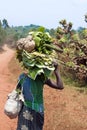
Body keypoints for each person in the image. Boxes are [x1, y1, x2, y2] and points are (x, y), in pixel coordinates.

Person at [16, 62, 64, 130]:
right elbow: (60, 86)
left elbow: (18, 92)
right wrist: (56, 70)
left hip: (25, 109)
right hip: (37, 110)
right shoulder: (42, 78)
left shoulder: (22, 76)